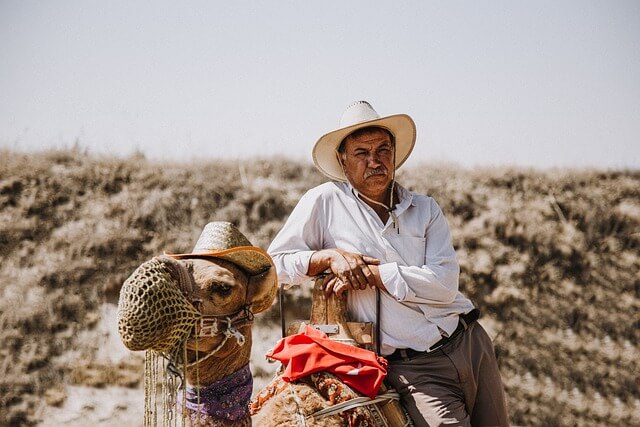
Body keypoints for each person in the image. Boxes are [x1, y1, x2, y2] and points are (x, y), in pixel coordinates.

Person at [267, 100, 509, 426]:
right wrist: (327, 257)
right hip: (413, 368)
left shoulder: (425, 209)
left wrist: (376, 274)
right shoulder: (324, 202)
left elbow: (444, 284)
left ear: (394, 153)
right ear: (342, 159)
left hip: (471, 341)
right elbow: (274, 266)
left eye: (383, 150)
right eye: (361, 153)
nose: (374, 161)